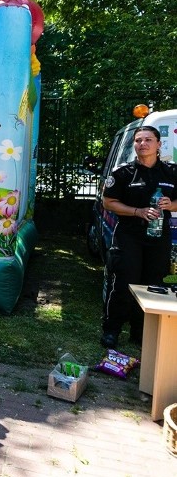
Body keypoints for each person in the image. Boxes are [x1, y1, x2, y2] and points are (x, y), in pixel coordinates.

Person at [101, 125, 177, 348]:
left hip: (158, 236)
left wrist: (170, 204)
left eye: (148, 140)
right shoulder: (123, 173)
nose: (142, 144)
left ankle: (140, 332)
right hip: (129, 235)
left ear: (159, 144)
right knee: (124, 281)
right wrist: (138, 211)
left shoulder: (171, 173)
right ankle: (111, 330)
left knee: (153, 284)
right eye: (138, 140)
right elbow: (108, 202)